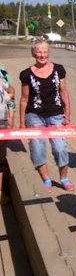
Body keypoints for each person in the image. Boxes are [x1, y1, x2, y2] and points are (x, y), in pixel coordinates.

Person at [18, 40, 74, 193]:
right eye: (39, 52)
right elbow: (24, 99)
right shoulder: (26, 74)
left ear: (48, 53)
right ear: (33, 54)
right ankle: (46, 179)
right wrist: (22, 123)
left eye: (44, 51)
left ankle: (64, 178)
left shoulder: (58, 69)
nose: (42, 55)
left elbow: (64, 92)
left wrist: (67, 114)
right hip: (34, 115)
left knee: (60, 148)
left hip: (56, 114)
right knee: (37, 148)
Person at [0, 67, 16, 205]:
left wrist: (5, 100)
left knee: (0, 160)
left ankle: (0, 193)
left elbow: (12, 91)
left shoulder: (1, 78)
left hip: (1, 124)